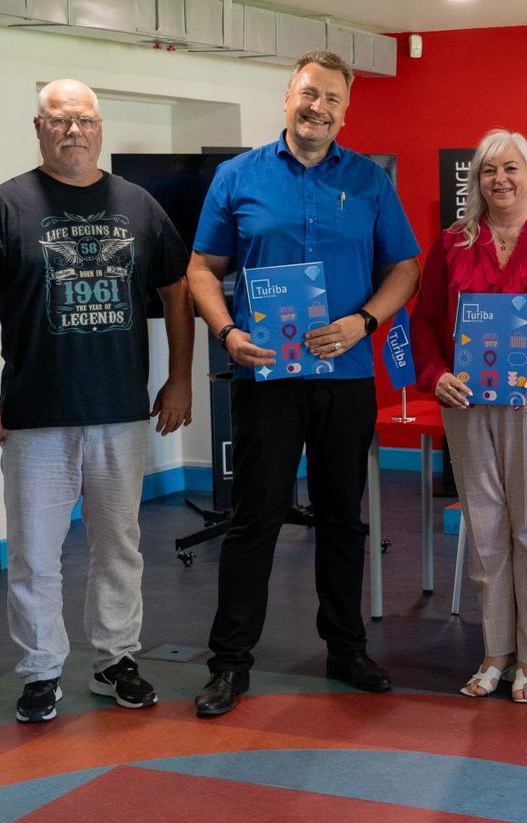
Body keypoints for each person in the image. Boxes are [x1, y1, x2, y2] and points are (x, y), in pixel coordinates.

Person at [0, 79, 194, 723]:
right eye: (60, 120)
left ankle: (115, 661)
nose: (74, 131)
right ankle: (40, 672)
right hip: (35, 415)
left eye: (84, 119)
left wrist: (181, 379)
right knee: (35, 553)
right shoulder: (6, 206)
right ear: (39, 127)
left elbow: (177, 290)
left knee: (120, 546)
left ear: (100, 127)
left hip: (120, 411)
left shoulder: (138, 205)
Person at [188, 50, 420, 716]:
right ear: (289, 97)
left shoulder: (370, 181)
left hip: (346, 376)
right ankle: (230, 662)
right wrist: (227, 333)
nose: (318, 107)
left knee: (342, 518)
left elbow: (405, 267)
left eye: (332, 99)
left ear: (346, 112)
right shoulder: (238, 176)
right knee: (254, 517)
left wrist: (363, 321)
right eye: (309, 94)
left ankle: (346, 648)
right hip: (266, 376)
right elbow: (202, 268)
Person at [410, 129, 527, 703]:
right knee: (485, 530)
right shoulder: (452, 244)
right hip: (467, 405)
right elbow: (426, 320)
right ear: (477, 180)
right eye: (490, 170)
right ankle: (496, 652)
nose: (501, 179)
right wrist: (434, 374)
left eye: (512, 168)